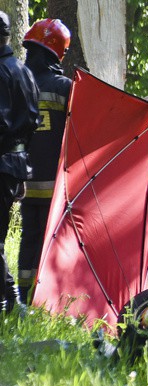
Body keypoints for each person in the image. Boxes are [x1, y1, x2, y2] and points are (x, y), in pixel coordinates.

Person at [16, 18, 71, 304]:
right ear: (57, 52)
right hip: (55, 187)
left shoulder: (17, 83)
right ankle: (50, 299)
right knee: (55, 241)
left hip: (23, 181)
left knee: (30, 237)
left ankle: (24, 298)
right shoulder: (65, 87)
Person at [0, 11, 40, 313]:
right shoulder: (24, 72)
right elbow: (32, 124)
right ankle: (12, 300)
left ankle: (4, 304)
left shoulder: (3, 72)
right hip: (16, 164)